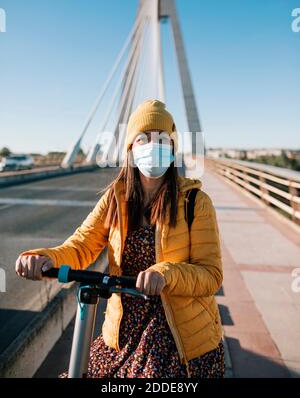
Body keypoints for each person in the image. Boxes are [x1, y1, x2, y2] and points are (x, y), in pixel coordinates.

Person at [15, 99, 225, 378]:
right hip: (121, 331)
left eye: (162, 139)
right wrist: (45, 257)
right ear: (130, 149)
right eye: (143, 139)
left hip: (177, 335)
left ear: (173, 149)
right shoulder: (115, 199)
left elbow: (211, 274)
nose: (153, 146)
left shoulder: (195, 203)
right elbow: (81, 246)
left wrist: (165, 274)